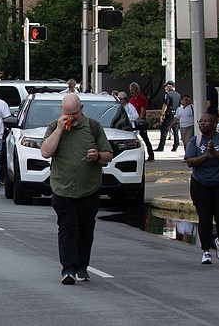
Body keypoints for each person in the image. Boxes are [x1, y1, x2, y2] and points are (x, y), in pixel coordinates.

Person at [40, 93, 114, 285]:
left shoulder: (93, 127)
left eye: (74, 113)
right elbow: (46, 152)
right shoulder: (54, 127)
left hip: (89, 188)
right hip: (62, 188)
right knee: (67, 228)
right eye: (67, 113)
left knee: (85, 229)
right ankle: (68, 270)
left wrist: (97, 156)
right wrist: (59, 129)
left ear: (81, 109)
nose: (71, 117)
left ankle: (82, 267)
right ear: (62, 111)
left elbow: (108, 154)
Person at [185, 113, 219, 264]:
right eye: (201, 121)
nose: (202, 123)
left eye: (206, 121)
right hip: (201, 184)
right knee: (205, 218)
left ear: (214, 123)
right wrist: (206, 156)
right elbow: (190, 161)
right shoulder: (195, 140)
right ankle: (206, 251)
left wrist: (215, 153)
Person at [128, 82, 155, 161]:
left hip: (140, 122)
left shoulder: (142, 99)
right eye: (130, 90)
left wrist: (139, 120)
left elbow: (143, 110)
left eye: (133, 90)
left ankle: (151, 155)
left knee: (145, 138)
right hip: (133, 122)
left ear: (137, 90)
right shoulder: (131, 100)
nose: (131, 92)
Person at [157, 80, 182, 152]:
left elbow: (165, 105)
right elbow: (179, 105)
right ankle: (176, 145)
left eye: (166, 86)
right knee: (175, 130)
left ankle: (161, 146)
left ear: (171, 86)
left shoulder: (167, 94)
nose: (165, 87)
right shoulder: (178, 94)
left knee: (164, 130)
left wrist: (162, 114)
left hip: (169, 114)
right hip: (176, 113)